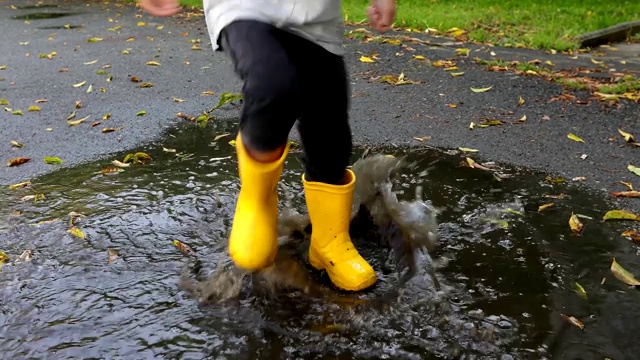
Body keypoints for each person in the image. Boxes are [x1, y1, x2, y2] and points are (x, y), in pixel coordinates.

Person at [139, 0, 397, 291]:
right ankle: (257, 200)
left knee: (329, 124)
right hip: (246, 8)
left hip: (317, 17)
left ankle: (330, 241)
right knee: (273, 85)